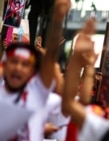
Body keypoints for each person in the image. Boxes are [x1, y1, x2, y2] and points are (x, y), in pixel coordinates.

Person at [0, 0, 71, 140]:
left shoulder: (38, 96)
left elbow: (65, 99)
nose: (18, 68)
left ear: (32, 72)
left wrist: (57, 20)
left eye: (25, 65)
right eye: (14, 62)